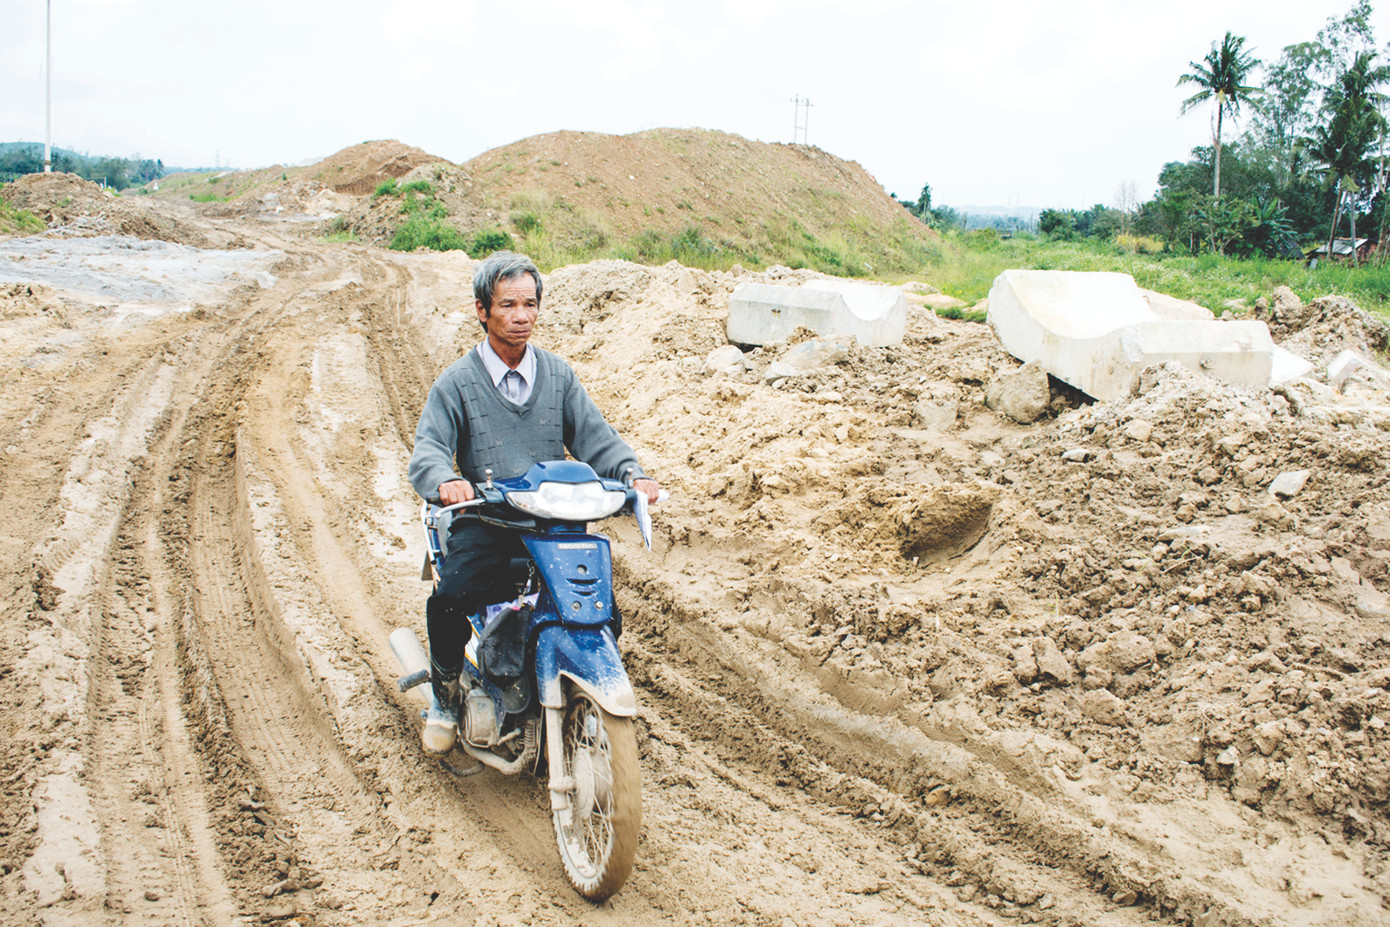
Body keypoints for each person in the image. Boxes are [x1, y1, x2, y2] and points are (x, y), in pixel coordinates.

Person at [408, 251, 659, 753]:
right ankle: (445, 694)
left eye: (530, 304)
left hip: (556, 527)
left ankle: (576, 690)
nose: (521, 316)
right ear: (483, 310)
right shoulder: (456, 383)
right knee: (452, 595)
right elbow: (430, 450)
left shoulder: (559, 376)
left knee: (602, 611)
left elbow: (597, 438)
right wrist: (445, 481)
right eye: (507, 305)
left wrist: (631, 473)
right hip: (490, 521)